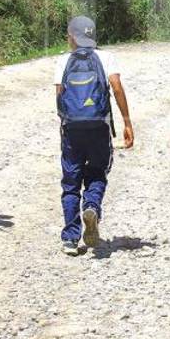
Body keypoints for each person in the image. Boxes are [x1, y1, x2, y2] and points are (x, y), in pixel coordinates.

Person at [54, 16, 135, 256]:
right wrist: (127, 121)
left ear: (71, 36)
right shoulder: (106, 57)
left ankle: (70, 238)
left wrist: (67, 121)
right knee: (98, 172)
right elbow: (117, 88)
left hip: (71, 128)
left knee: (70, 181)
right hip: (99, 126)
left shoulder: (63, 60)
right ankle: (91, 206)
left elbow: (59, 94)